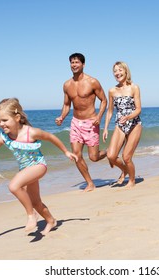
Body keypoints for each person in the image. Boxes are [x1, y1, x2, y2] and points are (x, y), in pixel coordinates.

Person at [0, 98, 78, 235]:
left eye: (4, 120)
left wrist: (66, 151)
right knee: (35, 202)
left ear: (17, 117)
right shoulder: (3, 137)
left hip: (38, 165)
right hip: (25, 170)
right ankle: (51, 220)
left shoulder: (31, 132)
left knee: (14, 186)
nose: (1, 124)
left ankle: (31, 215)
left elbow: (51, 137)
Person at [55, 53, 107, 192]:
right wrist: (62, 117)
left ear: (83, 64)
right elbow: (66, 105)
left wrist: (99, 117)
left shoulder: (92, 82)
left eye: (77, 62)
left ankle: (108, 152)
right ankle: (90, 183)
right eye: (72, 62)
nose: (74, 65)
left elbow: (104, 100)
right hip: (75, 123)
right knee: (76, 156)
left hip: (91, 122)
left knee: (94, 157)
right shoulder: (67, 85)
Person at [103, 61, 142, 188]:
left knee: (126, 156)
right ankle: (125, 170)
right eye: (115, 71)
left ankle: (131, 181)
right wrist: (105, 128)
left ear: (126, 71)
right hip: (120, 124)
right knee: (111, 155)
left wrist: (129, 117)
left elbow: (138, 109)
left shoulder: (134, 87)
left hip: (134, 124)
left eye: (120, 70)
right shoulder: (112, 91)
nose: (117, 73)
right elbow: (110, 111)